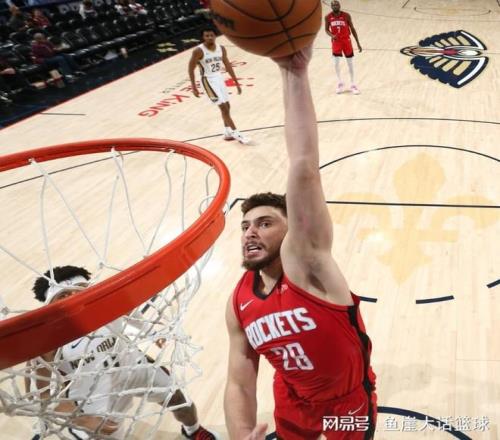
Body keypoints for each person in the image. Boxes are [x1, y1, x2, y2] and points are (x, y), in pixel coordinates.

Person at [224, 47, 377, 440]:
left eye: (265, 223)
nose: (250, 232)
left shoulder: (307, 262)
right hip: (292, 400)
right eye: (245, 226)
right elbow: (240, 380)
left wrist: (294, 72)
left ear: (292, 230)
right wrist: (240, 432)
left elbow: (304, 165)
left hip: (346, 402)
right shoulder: (239, 302)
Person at [28, 265, 219, 440]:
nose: (74, 297)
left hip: (132, 365)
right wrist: (81, 418)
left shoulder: (106, 303)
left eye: (79, 289)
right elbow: (41, 396)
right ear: (51, 304)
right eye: (63, 295)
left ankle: (193, 431)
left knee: (179, 400)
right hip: (92, 396)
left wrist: (151, 331)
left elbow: (131, 312)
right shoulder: (47, 341)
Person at [188, 28, 250, 145]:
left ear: (215, 36)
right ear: (203, 37)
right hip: (207, 80)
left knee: (227, 105)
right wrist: (194, 87)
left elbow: (227, 65)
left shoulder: (221, 48)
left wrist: (236, 82)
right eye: (207, 36)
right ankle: (237, 133)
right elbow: (190, 68)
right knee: (223, 108)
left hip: (219, 78)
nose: (210, 38)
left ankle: (227, 132)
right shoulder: (198, 51)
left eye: (211, 35)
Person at [325, 0, 362, 95]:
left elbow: (352, 29)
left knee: (350, 63)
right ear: (331, 6)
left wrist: (358, 43)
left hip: (346, 41)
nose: (335, 6)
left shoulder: (346, 15)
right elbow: (326, 30)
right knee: (336, 64)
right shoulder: (328, 17)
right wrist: (332, 35)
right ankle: (340, 83)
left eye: (337, 4)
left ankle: (353, 84)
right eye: (333, 5)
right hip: (336, 42)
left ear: (339, 5)